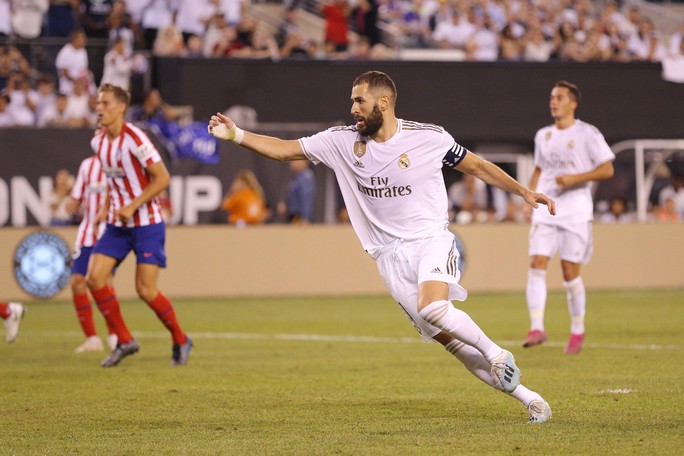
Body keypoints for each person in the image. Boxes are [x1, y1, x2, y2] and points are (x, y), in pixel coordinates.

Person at [208, 70, 556, 423]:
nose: (353, 108)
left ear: (384, 102)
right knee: (454, 346)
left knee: (434, 308)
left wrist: (524, 192)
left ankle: (497, 352)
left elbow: (479, 167)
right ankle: (532, 401)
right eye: (352, 101)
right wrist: (236, 134)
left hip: (430, 240)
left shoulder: (428, 138)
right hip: (388, 257)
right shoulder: (341, 142)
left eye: (360, 100)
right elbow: (285, 151)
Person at [86, 83, 192, 367]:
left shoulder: (136, 139)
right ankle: (125, 340)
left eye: (105, 103)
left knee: (145, 290)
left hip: (147, 224)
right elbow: (115, 179)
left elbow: (162, 178)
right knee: (94, 278)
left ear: (121, 107)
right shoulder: (98, 142)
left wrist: (132, 205)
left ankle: (181, 338)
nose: (99, 108)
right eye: (98, 103)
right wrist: (107, 208)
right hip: (118, 224)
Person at [523, 81, 615, 355]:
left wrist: (576, 178)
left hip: (575, 210)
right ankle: (536, 327)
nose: (554, 102)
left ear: (573, 103)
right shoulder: (544, 135)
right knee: (537, 263)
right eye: (552, 97)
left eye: (560, 97)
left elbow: (607, 169)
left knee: (569, 272)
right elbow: (539, 169)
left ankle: (577, 329)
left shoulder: (587, 133)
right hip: (547, 208)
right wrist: (529, 197)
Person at [65, 154, 118, 353]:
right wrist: (72, 202)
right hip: (87, 231)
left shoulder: (119, 162)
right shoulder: (87, 165)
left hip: (109, 230)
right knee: (77, 281)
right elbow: (76, 197)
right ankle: (92, 339)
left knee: (105, 281)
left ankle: (115, 334)